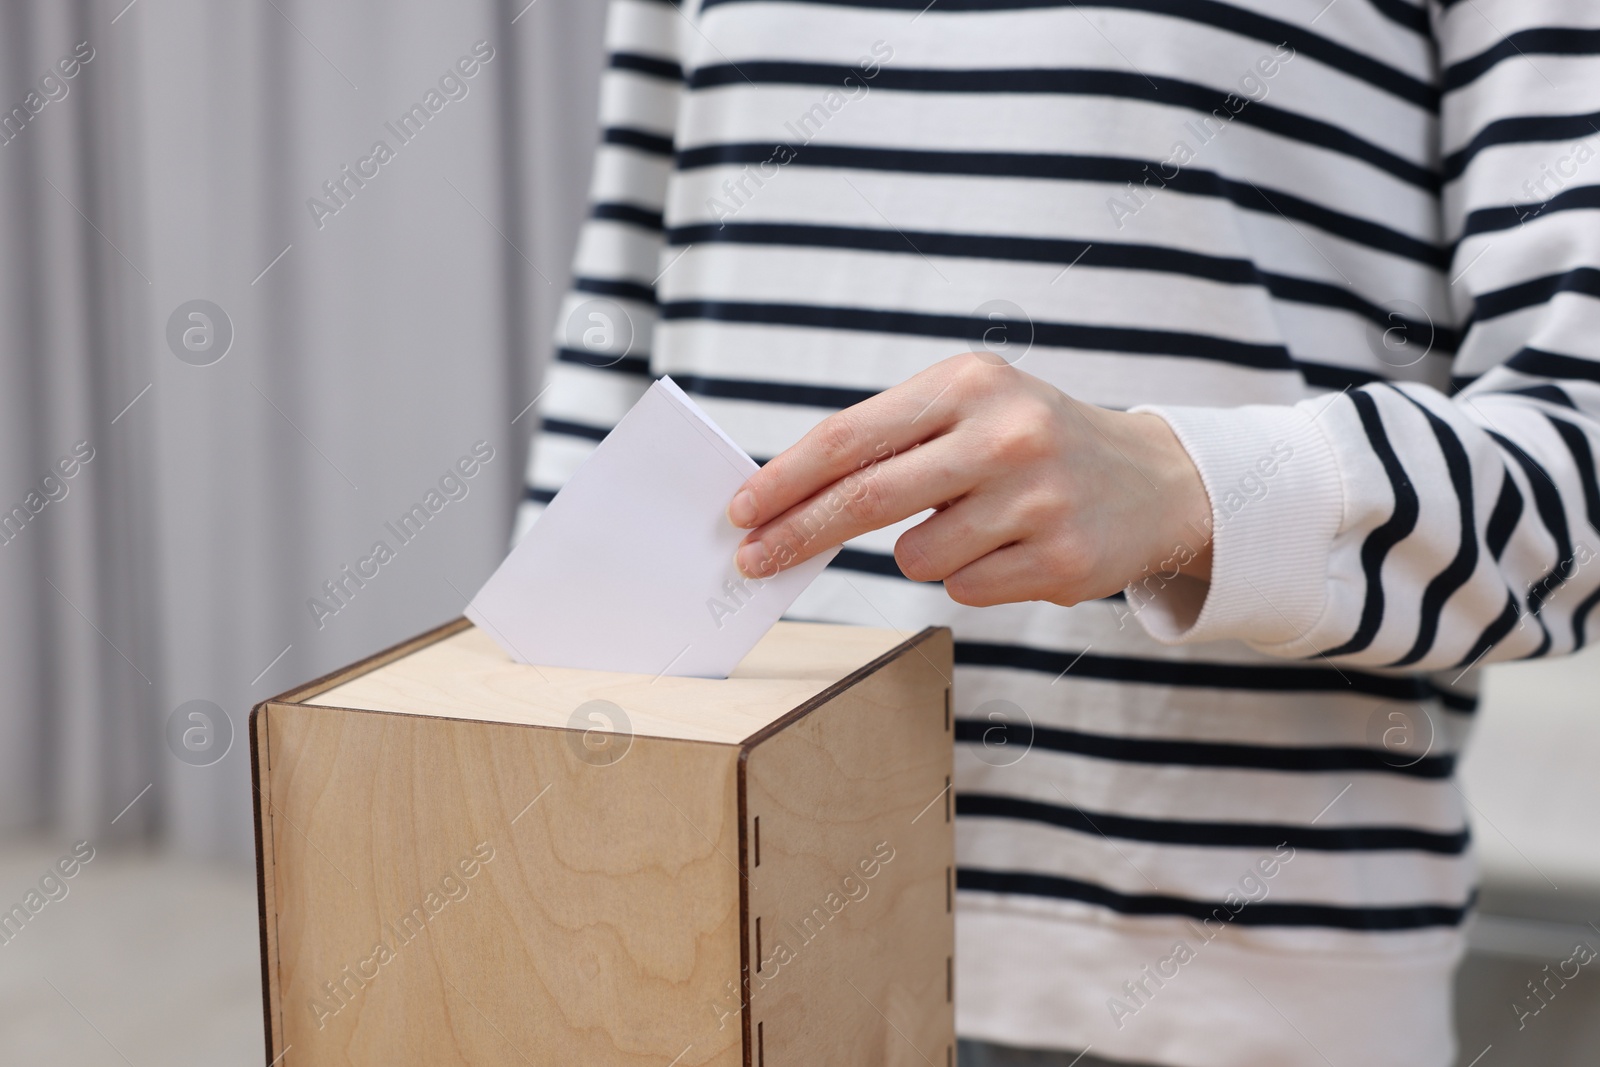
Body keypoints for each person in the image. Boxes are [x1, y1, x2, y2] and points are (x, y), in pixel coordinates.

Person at [518, 1, 1600, 1063]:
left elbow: (1578, 476)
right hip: (711, 935)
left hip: (1214, 983)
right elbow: (616, 352)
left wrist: (1193, 488)